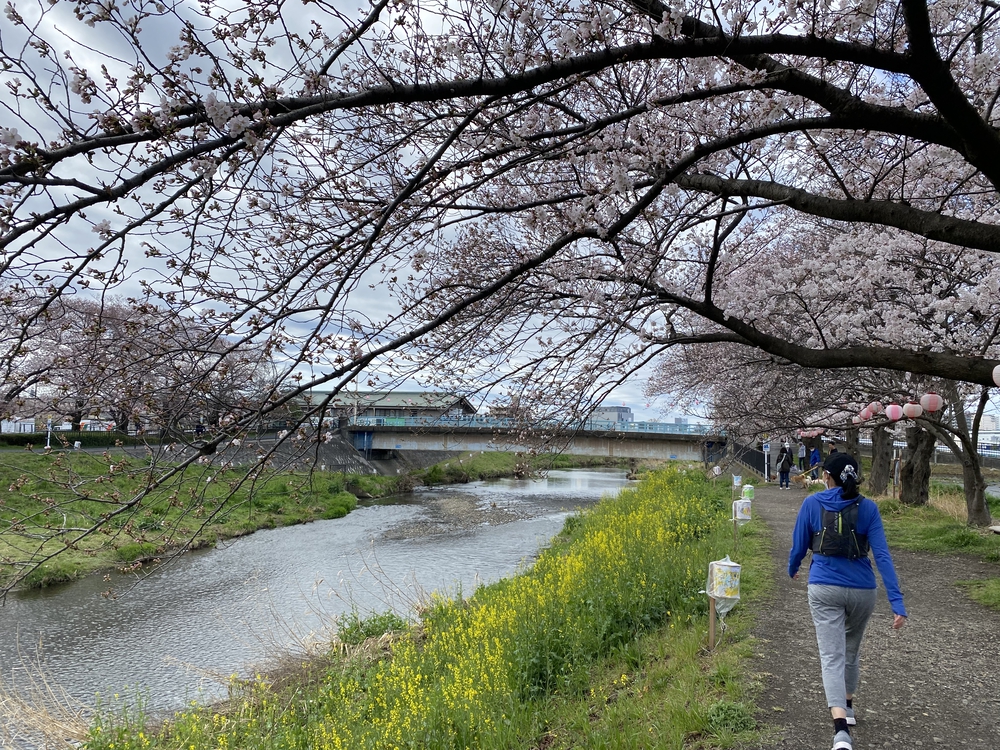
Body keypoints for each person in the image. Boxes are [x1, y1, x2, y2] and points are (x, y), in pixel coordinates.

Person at [788, 452, 907, 750]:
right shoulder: (869, 508)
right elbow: (881, 556)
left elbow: (799, 546)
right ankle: (849, 706)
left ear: (827, 477)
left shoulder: (812, 503)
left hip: (824, 587)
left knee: (832, 656)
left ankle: (840, 730)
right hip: (863, 590)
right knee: (851, 651)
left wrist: (793, 568)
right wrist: (896, 602)